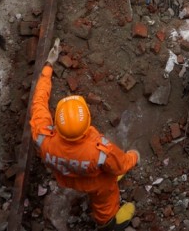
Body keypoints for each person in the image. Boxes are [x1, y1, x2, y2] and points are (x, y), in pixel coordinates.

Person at [31, 37, 138, 227]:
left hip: (68, 179)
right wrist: (133, 158)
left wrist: (48, 66)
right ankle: (108, 222)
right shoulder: (99, 151)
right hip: (96, 182)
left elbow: (38, 102)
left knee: (106, 176)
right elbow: (120, 164)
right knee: (106, 195)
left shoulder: (43, 137)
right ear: (88, 122)